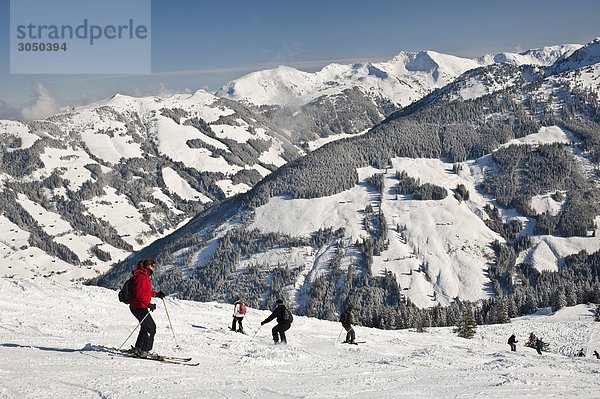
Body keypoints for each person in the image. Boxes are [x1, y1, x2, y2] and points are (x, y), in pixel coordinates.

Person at [129, 259, 165, 357]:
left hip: (138, 306)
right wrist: (148, 304)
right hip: (138, 306)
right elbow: (139, 295)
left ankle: (138, 348)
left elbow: (145, 292)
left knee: (145, 327)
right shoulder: (142, 277)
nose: (154, 269)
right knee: (151, 327)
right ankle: (145, 350)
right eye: (153, 266)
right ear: (149, 266)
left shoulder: (144, 276)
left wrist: (156, 294)